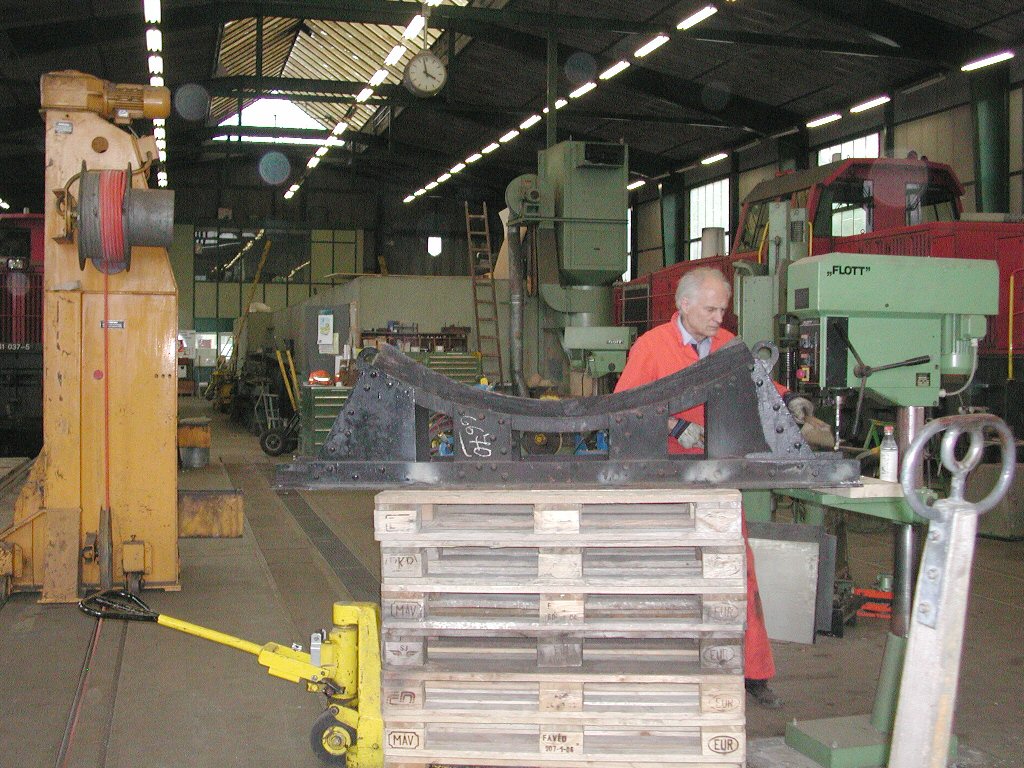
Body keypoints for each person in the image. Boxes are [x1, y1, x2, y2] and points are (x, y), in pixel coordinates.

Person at [614, 266, 833, 708]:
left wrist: (792, 401)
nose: (719, 318)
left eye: (722, 310)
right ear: (684, 305)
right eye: (711, 310)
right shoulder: (652, 347)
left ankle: (753, 672)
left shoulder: (728, 346)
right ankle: (667, 673)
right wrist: (675, 426)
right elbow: (624, 406)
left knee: (736, 570)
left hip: (719, 477)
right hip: (668, 481)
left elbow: (762, 388)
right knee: (670, 574)